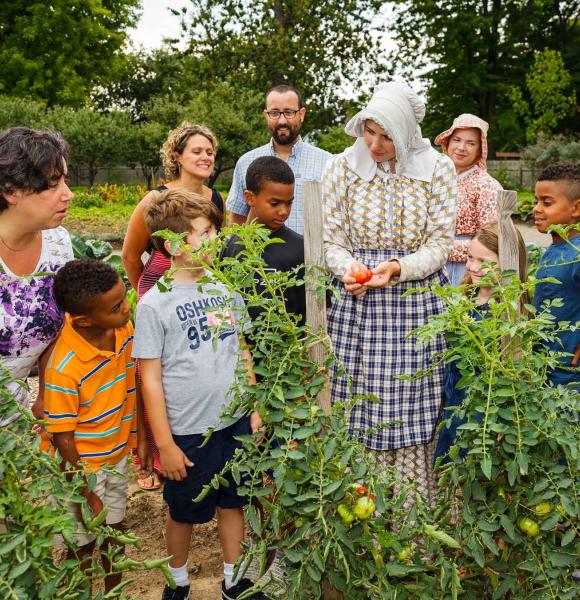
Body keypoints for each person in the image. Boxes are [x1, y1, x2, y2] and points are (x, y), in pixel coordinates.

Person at [322, 82, 457, 505]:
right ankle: (360, 516)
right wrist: (349, 269)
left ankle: (412, 523)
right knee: (357, 401)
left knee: (413, 401)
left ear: (405, 133)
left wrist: (398, 268)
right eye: (369, 132)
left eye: (386, 136)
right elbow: (332, 241)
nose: (375, 144)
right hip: (359, 302)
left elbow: (439, 245)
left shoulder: (438, 169)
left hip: (416, 303)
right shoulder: (341, 168)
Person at [132, 189, 265, 600]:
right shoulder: (155, 304)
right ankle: (178, 581)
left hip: (234, 423)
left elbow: (241, 349)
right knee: (183, 512)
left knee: (233, 503)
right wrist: (165, 444)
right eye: (203, 234)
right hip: (188, 432)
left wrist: (255, 406)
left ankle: (233, 578)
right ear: (171, 244)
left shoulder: (224, 290)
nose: (213, 240)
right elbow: (150, 378)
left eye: (213, 232)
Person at [122, 121, 225, 490]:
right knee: (151, 372)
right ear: (177, 156)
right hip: (160, 283)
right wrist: (147, 293)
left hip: (198, 286)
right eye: (196, 150)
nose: (204, 156)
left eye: (209, 150)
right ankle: (150, 455)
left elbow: (214, 250)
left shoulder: (215, 199)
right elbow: (130, 255)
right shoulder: (154, 199)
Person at [41, 259, 149, 594]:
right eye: (117, 306)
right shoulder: (65, 367)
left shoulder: (122, 330)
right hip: (76, 469)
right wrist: (87, 492)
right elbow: (62, 439)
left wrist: (141, 437)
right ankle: (88, 591)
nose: (127, 307)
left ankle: (113, 591)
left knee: (115, 532)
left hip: (114, 456)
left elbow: (135, 383)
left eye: (125, 296)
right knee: (85, 542)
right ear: (85, 319)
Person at [434, 222, 528, 463]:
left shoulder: (508, 312)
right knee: (453, 464)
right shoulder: (465, 296)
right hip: (457, 400)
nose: (472, 267)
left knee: (477, 465)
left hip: (487, 408)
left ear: (508, 265)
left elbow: (514, 372)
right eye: (469, 257)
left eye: (484, 262)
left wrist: (502, 418)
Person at [0, 126, 73, 428]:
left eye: (65, 180)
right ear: (10, 191)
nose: (68, 194)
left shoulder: (58, 244)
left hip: (15, 426)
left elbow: (60, 325)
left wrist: (46, 391)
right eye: (52, 184)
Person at [227, 84, 331, 235]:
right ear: (266, 115)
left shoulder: (327, 163)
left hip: (310, 257)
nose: (282, 120)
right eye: (274, 113)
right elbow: (237, 221)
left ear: (301, 114)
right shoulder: (246, 162)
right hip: (258, 257)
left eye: (289, 112)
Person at [223, 156, 306, 326]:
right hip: (239, 348)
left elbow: (312, 311)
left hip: (288, 348)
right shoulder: (230, 246)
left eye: (289, 203)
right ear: (249, 197)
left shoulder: (300, 248)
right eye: (275, 203)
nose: (283, 211)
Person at [434, 114, 502, 286]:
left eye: (471, 143)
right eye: (457, 140)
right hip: (431, 263)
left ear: (480, 149)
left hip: (466, 267)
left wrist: (438, 248)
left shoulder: (486, 185)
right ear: (447, 143)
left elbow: (490, 239)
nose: (461, 147)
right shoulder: (435, 178)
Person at [533, 163, 580, 389]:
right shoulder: (555, 248)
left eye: (547, 203)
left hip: (569, 371)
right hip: (545, 364)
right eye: (536, 201)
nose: (537, 208)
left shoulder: (577, 253)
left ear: (576, 208)